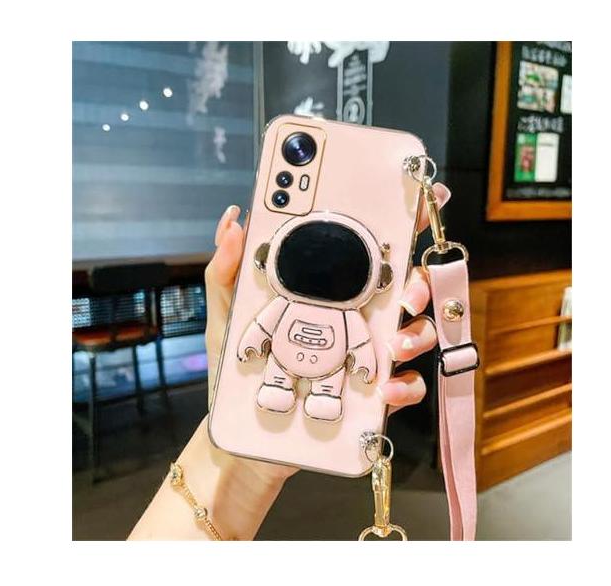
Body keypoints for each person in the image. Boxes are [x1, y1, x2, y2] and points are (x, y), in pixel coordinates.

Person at [128, 184, 452, 540]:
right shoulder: (301, 307)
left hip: (321, 368)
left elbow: (355, 342)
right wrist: (248, 353)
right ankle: (291, 388)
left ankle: (317, 393)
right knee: (291, 380)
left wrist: (364, 364)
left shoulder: (335, 313)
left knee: (323, 385)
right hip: (289, 363)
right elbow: (264, 328)